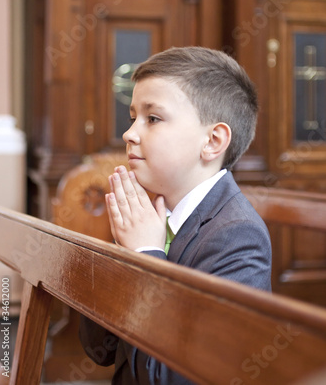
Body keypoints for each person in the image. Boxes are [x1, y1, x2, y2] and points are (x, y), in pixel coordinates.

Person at [79, 46, 272, 384]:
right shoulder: (150, 217)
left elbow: (174, 378)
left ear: (213, 141)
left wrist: (146, 258)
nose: (129, 133)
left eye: (152, 118)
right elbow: (101, 349)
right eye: (132, 117)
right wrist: (122, 254)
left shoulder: (238, 237)